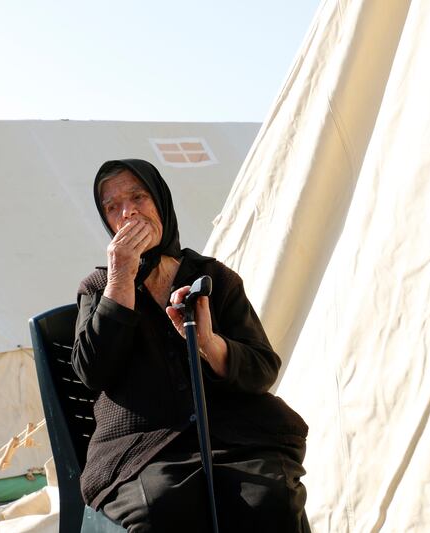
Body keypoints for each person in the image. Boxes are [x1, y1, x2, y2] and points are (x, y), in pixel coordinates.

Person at [72, 159, 310, 533]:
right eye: (112, 206)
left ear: (161, 202)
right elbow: (90, 371)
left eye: (138, 197)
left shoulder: (213, 277)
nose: (128, 211)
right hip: (142, 449)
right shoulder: (99, 287)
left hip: (234, 436)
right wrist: (121, 277)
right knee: (160, 510)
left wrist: (210, 344)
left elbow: (263, 368)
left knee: (269, 500)